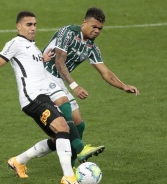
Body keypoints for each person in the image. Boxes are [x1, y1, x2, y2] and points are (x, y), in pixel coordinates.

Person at [0, 11, 82, 184]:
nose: (33, 28)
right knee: (62, 126)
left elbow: (31, 65)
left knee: (57, 139)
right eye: (29, 24)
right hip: (33, 97)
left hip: (41, 97)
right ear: (19, 26)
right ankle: (69, 177)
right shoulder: (15, 43)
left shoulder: (33, 47)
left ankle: (18, 161)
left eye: (35, 24)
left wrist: (42, 59)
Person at [42, 7, 140, 163]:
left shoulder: (91, 48)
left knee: (78, 123)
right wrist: (75, 86)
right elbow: (59, 62)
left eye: (100, 28)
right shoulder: (68, 33)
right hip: (43, 74)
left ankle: (71, 163)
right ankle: (80, 149)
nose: (97, 31)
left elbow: (105, 72)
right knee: (65, 107)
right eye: (94, 26)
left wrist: (123, 86)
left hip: (58, 80)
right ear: (84, 23)